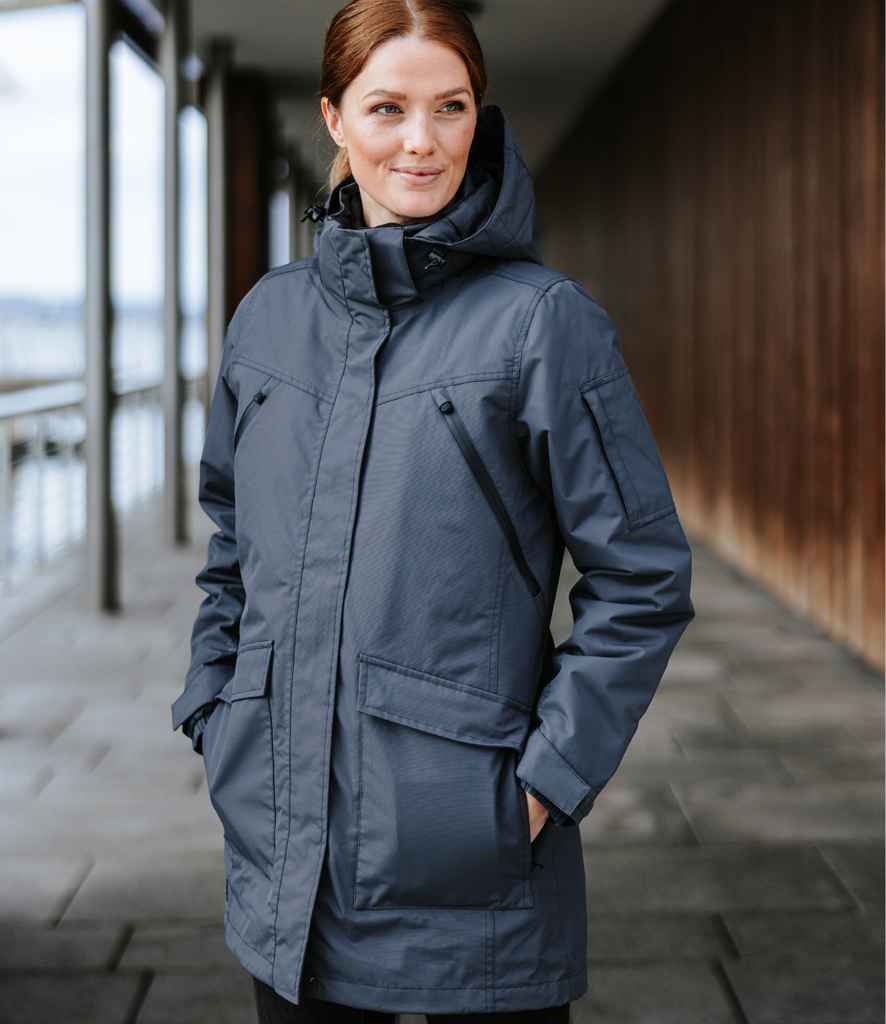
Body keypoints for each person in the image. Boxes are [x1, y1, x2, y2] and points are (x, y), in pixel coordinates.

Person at [170, 0, 695, 1020]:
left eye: (450, 107)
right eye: (388, 108)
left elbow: (641, 577)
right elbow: (233, 541)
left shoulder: (543, 325)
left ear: (477, 116)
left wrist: (544, 784)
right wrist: (215, 705)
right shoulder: (268, 320)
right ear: (334, 117)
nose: (422, 140)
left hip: (474, 858)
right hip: (283, 856)